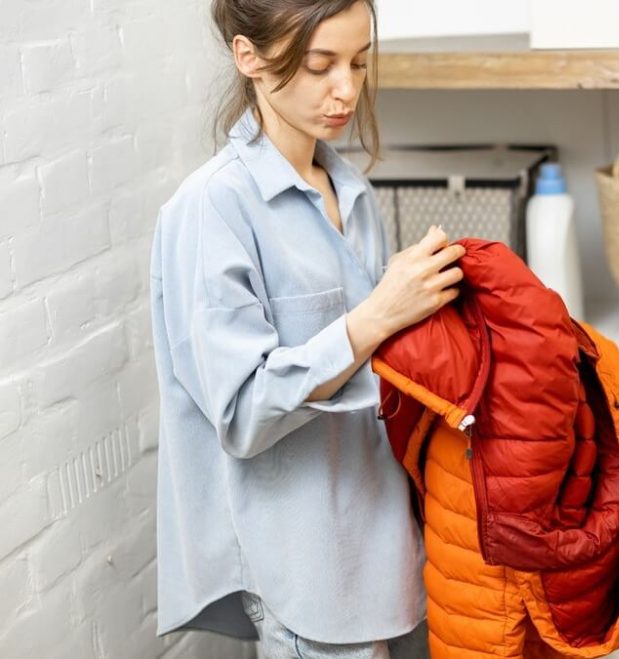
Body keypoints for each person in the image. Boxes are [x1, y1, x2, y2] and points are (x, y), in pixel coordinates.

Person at [148, 1, 463, 656]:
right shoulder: (212, 210)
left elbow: (379, 376)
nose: (346, 90)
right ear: (249, 57)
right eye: (321, 66)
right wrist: (375, 316)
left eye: (359, 63)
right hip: (309, 583)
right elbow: (242, 412)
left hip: (393, 558)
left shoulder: (351, 193)